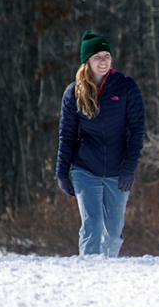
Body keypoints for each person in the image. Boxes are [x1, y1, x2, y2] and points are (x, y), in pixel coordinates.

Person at [55, 30, 145, 257]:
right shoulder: (73, 93)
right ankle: (88, 274)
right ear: (87, 61)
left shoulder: (126, 87)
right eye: (98, 57)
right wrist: (62, 173)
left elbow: (137, 132)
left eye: (107, 55)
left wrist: (128, 169)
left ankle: (107, 273)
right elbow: (66, 136)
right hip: (86, 168)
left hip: (117, 170)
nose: (103, 61)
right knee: (92, 225)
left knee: (113, 232)